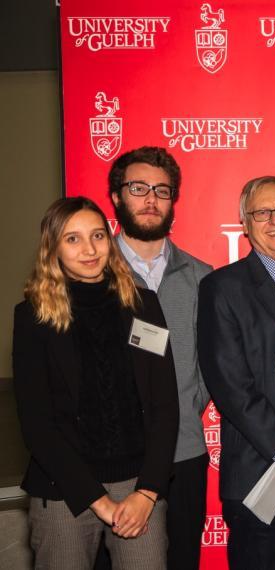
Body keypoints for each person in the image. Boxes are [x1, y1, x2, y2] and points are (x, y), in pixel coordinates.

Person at [12, 197, 179, 568]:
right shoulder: (32, 318)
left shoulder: (143, 305)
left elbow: (165, 405)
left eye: (98, 236)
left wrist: (148, 491)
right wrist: (98, 500)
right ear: (52, 247)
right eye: (72, 239)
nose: (89, 249)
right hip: (64, 489)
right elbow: (37, 424)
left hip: (139, 486)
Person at [198, 176, 275, 569]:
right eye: (262, 213)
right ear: (245, 225)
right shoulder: (222, 287)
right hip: (264, 470)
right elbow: (229, 383)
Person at [109, 146, 213, 569]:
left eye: (162, 191)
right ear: (117, 196)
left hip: (184, 453)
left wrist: (187, 407)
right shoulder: (92, 274)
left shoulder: (203, 277)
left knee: (183, 558)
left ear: (173, 201)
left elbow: (211, 365)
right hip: (115, 458)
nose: (151, 199)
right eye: (139, 188)